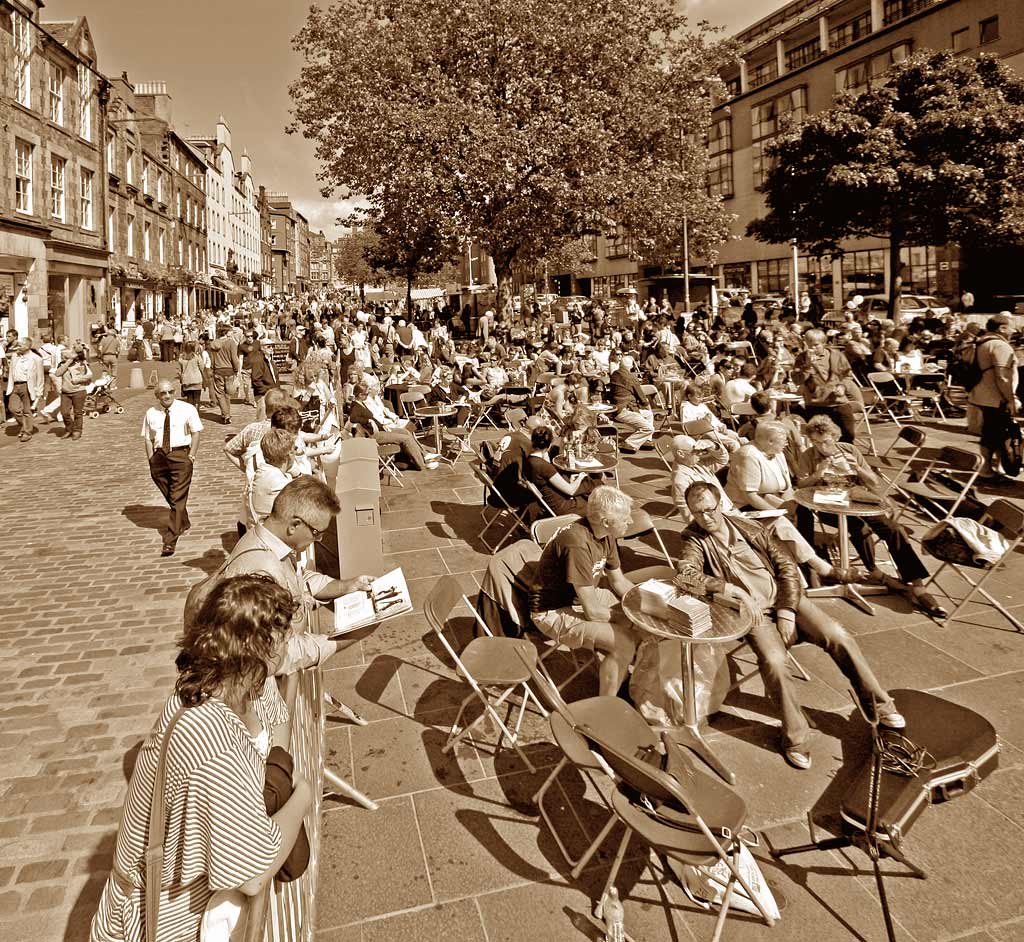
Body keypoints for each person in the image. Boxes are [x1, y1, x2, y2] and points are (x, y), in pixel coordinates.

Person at [89, 574, 312, 942]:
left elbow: (277, 726)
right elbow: (255, 873)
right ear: (260, 647)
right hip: (166, 922)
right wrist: (301, 794)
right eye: (284, 638)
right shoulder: (212, 741)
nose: (290, 646)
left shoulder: (225, 685)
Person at [677, 481, 906, 770]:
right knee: (774, 661)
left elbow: (787, 568)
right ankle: (796, 738)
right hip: (754, 613)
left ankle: (880, 706)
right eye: (697, 513)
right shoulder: (693, 539)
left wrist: (786, 610)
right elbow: (685, 574)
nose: (705, 518)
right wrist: (727, 589)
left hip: (787, 600)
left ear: (720, 504)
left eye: (709, 510)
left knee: (838, 635)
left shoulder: (748, 527)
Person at [794, 415, 947, 617]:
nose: (821, 447)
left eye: (826, 441)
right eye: (816, 442)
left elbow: (873, 482)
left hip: (857, 498)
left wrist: (856, 468)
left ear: (835, 436)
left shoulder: (849, 450)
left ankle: (918, 585)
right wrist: (818, 473)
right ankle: (873, 570)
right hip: (827, 505)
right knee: (858, 527)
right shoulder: (808, 456)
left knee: (894, 529)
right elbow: (801, 487)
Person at [529, 485, 639, 697]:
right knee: (625, 642)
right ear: (606, 522)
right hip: (553, 611)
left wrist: (645, 603)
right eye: (625, 518)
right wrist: (630, 616)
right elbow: (593, 612)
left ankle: (618, 671)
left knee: (640, 628)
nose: (631, 521)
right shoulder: (577, 543)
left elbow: (619, 582)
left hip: (581, 596)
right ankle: (606, 706)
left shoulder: (606, 534)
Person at [142, 380, 203, 557]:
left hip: (180, 456)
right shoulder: (151, 413)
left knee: (176, 497)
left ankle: (170, 539)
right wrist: (150, 459)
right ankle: (182, 520)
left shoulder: (187, 409)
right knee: (171, 494)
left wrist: (191, 456)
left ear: (174, 392)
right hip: (159, 458)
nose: (167, 396)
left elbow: (196, 432)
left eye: (170, 392)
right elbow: (147, 438)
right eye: (163, 393)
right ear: (157, 396)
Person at [968, 313, 1018, 481]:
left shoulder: (982, 342)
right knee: (994, 433)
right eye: (1011, 326)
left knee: (992, 432)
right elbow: (1002, 376)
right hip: (995, 397)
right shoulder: (1000, 346)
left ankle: (993, 467)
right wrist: (1010, 399)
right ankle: (987, 470)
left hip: (982, 394)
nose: (1014, 330)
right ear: (1002, 328)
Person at [348, 380, 440, 470]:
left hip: (381, 429)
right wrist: (368, 420)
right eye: (366, 394)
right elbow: (353, 418)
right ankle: (422, 464)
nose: (368, 396)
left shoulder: (361, 403)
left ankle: (424, 456)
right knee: (405, 439)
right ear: (360, 395)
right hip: (375, 435)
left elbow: (373, 418)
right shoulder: (356, 406)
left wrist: (381, 425)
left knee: (405, 432)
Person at [795, 328, 859, 442]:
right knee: (819, 439)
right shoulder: (801, 358)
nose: (812, 348)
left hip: (838, 402)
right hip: (816, 405)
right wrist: (807, 366)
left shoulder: (837, 355)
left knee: (848, 435)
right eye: (808, 345)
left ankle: (846, 458)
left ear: (824, 343)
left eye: (816, 345)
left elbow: (847, 375)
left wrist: (842, 386)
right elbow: (797, 380)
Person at [725, 422, 794, 511]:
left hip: (772, 500)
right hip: (746, 506)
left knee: (803, 512)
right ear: (770, 441)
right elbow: (750, 496)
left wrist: (792, 506)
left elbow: (787, 488)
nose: (786, 444)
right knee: (782, 523)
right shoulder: (748, 456)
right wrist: (778, 513)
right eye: (784, 440)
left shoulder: (778, 453)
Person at [524, 424, 591, 516]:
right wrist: (580, 477)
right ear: (549, 445)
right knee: (595, 499)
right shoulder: (544, 466)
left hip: (550, 504)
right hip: (562, 508)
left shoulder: (528, 461)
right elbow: (571, 491)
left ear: (532, 441)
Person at [609, 354, 655, 452]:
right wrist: (647, 406)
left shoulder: (614, 374)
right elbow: (641, 396)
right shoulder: (631, 378)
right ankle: (628, 443)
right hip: (624, 410)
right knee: (649, 428)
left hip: (616, 408)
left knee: (648, 415)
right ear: (631, 366)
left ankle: (646, 440)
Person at [6, 337, 45, 441]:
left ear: (27, 346)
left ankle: (27, 432)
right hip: (15, 386)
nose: (18, 347)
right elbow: (11, 372)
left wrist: (39, 393)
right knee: (13, 408)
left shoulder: (36, 359)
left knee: (27, 411)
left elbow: (40, 377)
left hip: (27, 386)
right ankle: (24, 426)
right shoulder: (15, 356)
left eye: (20, 345)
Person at [52, 345, 93, 440]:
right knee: (64, 412)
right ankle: (69, 429)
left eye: (64, 355)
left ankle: (77, 430)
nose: (61, 357)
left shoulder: (80, 363)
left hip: (78, 391)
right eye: (61, 355)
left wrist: (78, 380)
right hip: (66, 392)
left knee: (77, 413)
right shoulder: (62, 364)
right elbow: (57, 373)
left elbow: (89, 375)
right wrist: (68, 362)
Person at [208, 326, 240, 424]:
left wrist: (212, 369)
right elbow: (234, 358)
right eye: (231, 331)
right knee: (227, 394)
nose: (232, 332)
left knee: (220, 394)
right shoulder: (231, 342)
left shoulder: (213, 343)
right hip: (229, 370)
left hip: (218, 370)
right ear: (226, 332)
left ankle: (225, 414)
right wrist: (236, 369)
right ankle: (227, 414)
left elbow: (212, 358)